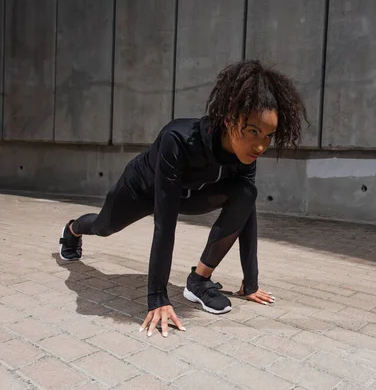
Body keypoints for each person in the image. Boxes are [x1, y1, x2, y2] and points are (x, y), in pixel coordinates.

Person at [58, 60, 308, 337]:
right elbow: (165, 223)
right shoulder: (177, 138)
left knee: (246, 192)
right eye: (252, 131)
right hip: (142, 189)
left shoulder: (244, 154)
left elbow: (246, 211)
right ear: (230, 120)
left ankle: (199, 281)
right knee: (104, 227)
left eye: (268, 136)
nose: (260, 146)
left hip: (190, 195)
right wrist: (157, 298)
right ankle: (72, 230)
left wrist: (250, 283)